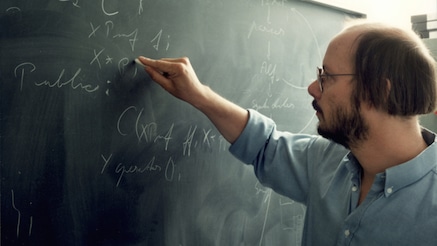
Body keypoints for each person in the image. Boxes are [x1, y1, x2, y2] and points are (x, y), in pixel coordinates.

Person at [136, 22, 437, 245]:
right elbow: (265, 146)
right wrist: (199, 95)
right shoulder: (328, 162)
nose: (311, 88)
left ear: (378, 91)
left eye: (327, 77)